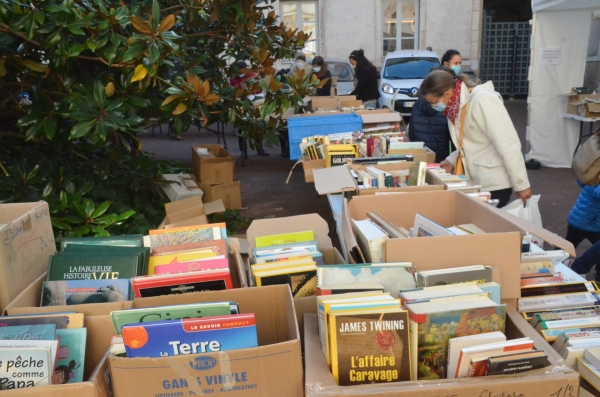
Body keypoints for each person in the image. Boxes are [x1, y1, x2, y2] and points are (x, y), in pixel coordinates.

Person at [419, 70, 532, 208]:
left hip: (494, 182)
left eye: (434, 103)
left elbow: (508, 143)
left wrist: (521, 184)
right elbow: (471, 140)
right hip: (478, 179)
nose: (433, 107)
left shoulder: (481, 100)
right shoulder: (455, 106)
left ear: (447, 94)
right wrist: (451, 160)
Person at [408, 66, 454, 163]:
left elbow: (411, 133)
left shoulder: (417, 105)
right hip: (443, 160)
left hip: (420, 157)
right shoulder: (446, 108)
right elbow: (454, 140)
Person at [229, 62, 269, 157]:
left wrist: (248, 92)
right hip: (241, 104)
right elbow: (232, 92)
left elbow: (258, 89)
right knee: (241, 127)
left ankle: (259, 148)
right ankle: (243, 151)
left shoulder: (252, 76)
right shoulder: (233, 79)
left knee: (257, 125)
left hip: (255, 103)